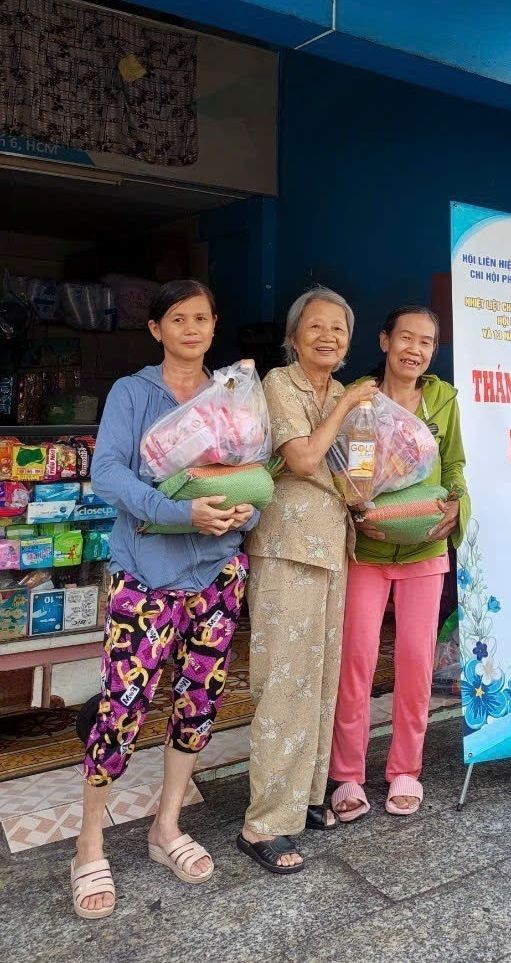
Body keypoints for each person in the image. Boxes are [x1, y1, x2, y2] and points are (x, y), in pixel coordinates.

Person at [71, 280, 256, 919]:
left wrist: (242, 510)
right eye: (178, 318)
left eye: (202, 317)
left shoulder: (230, 394)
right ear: (156, 329)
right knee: (123, 705)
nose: (191, 328)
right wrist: (179, 513)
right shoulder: (133, 392)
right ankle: (88, 841)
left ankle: (166, 825)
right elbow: (110, 473)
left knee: (199, 702)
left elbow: (252, 471)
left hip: (216, 574)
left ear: (213, 324)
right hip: (145, 576)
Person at [238, 286, 377, 873]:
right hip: (288, 547)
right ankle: (263, 823)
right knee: (284, 684)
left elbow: (359, 474)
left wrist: (371, 485)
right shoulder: (278, 384)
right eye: (316, 327)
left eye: (339, 330)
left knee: (320, 681)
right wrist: (347, 412)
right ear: (293, 337)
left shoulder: (348, 394)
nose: (329, 338)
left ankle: (305, 800)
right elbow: (299, 459)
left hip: (333, 546)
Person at [329, 306, 470, 819]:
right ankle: (346, 774)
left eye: (426, 342)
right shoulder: (359, 399)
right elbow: (348, 465)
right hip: (367, 549)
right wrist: (354, 504)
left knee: (415, 661)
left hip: (424, 549)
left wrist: (455, 506)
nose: (414, 349)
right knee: (356, 660)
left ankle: (405, 769)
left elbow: (454, 462)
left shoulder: (443, 400)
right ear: (385, 340)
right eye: (405, 337)